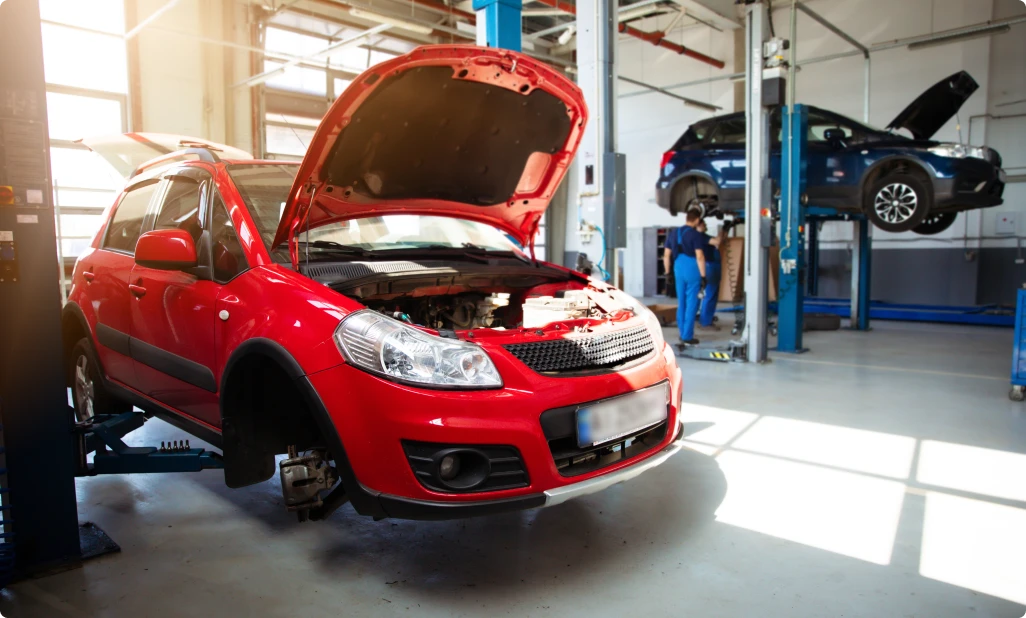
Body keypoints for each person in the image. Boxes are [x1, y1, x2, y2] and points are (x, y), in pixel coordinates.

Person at [663, 208, 706, 345]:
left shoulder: (674, 232)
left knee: (682, 302)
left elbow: (666, 255)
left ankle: (682, 332)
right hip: (692, 268)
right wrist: (704, 276)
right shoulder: (695, 235)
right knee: (692, 303)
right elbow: (700, 256)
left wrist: (667, 272)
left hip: (678, 268)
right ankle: (687, 336)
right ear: (697, 220)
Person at [696, 219, 724, 331]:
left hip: (713, 265)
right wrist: (722, 230)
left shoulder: (704, 235)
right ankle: (705, 322)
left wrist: (724, 231)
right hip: (709, 266)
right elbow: (717, 242)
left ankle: (707, 318)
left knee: (712, 294)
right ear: (698, 225)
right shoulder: (700, 236)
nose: (705, 225)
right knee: (710, 294)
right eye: (703, 224)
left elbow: (718, 240)